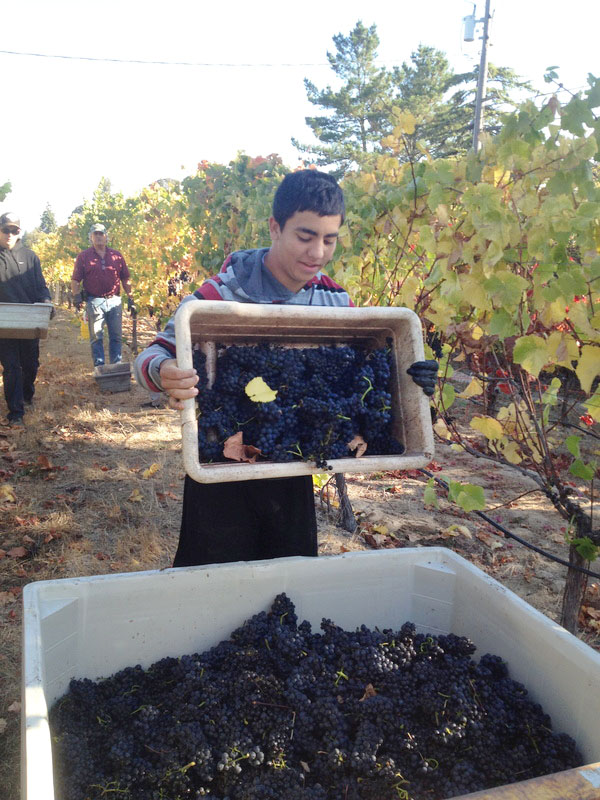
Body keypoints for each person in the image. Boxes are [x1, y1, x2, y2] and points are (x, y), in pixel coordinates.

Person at [134, 170, 437, 568]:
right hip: (218, 470)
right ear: (275, 228)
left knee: (289, 579)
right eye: (305, 236)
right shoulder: (220, 293)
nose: (317, 253)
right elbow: (149, 356)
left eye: (329, 240)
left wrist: (410, 380)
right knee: (208, 580)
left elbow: (360, 376)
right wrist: (165, 372)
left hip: (293, 461)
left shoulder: (335, 302)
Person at [0, 212, 54, 425]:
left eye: (15, 230)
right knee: (11, 366)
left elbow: (41, 287)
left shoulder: (31, 258)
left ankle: (25, 396)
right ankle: (15, 413)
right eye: (6, 230)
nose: (10, 234)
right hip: (4, 324)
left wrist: (46, 300)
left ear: (19, 232)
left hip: (29, 321)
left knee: (30, 364)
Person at [71, 223, 135, 367]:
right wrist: (76, 296)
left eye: (101, 234)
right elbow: (75, 279)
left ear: (106, 237)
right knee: (96, 337)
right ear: (91, 238)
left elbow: (125, 278)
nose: (99, 237)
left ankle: (116, 366)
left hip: (114, 301)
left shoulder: (117, 256)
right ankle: (99, 369)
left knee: (116, 337)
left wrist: (131, 298)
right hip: (94, 302)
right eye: (96, 234)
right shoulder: (84, 256)